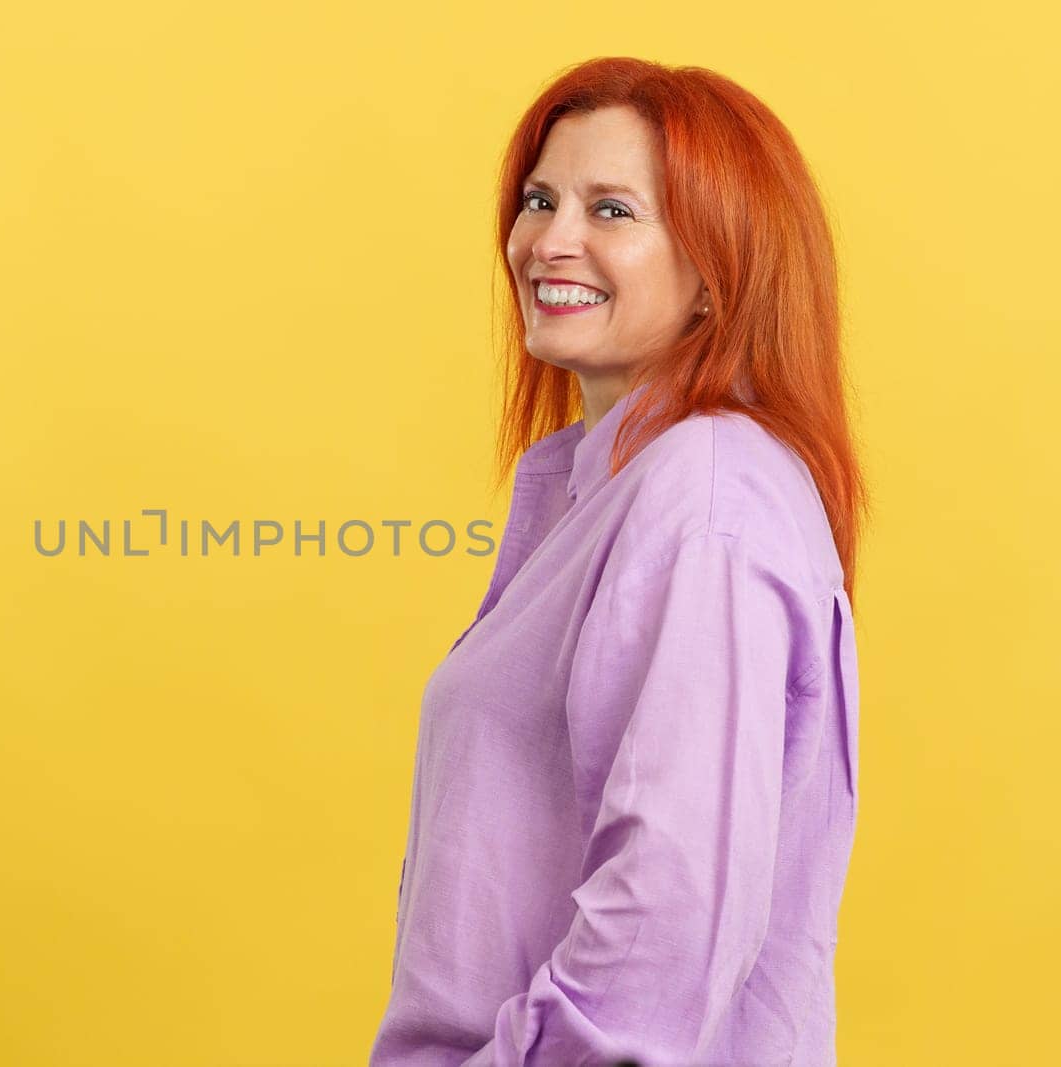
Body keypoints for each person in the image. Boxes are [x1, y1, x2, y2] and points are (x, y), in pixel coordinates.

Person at [368, 57, 870, 1067]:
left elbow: (663, 928)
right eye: (541, 198)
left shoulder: (705, 496)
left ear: (716, 264)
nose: (549, 240)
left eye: (611, 210)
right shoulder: (604, 487)